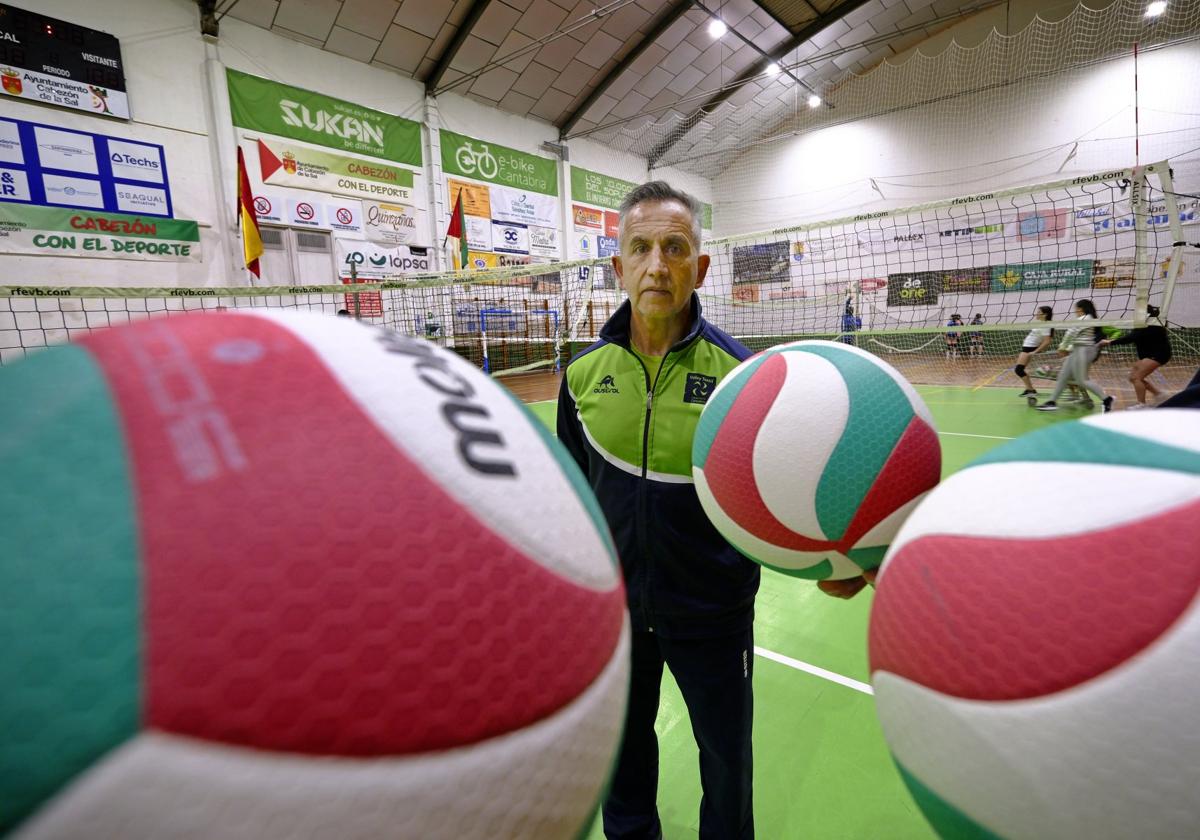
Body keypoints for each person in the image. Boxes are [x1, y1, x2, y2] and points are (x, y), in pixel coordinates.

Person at [557, 182, 759, 840]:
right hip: (614, 619)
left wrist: (828, 556)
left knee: (727, 762)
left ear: (698, 267)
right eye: (640, 248)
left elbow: (771, 500)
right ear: (618, 267)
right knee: (624, 760)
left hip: (712, 616)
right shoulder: (582, 375)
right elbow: (569, 499)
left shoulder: (741, 376)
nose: (657, 265)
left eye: (675, 248)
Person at [1036, 298, 1113, 412]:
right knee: (1063, 376)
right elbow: (1078, 337)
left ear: (1080, 308)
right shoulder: (1089, 318)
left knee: (1082, 380)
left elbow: (1070, 333)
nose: (1075, 311)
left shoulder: (1085, 318)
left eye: (1076, 308)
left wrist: (1063, 347)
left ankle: (1106, 399)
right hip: (1079, 350)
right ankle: (1052, 401)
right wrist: (1067, 348)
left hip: (1084, 351)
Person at [1097, 304, 1172, 408]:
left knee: (1137, 378)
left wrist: (1109, 342)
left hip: (1158, 354)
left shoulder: (1151, 325)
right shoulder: (1142, 324)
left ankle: (1141, 404)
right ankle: (1159, 395)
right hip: (1150, 354)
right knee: (1133, 378)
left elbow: (1130, 338)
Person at [1014, 305, 1054, 397]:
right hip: (1027, 348)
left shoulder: (1046, 325)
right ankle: (1030, 389)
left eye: (1039, 312)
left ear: (1045, 314)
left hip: (1029, 348)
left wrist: (1035, 351)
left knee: (1018, 370)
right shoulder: (1041, 323)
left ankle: (1030, 390)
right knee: (1020, 370)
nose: (1036, 314)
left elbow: (1047, 341)